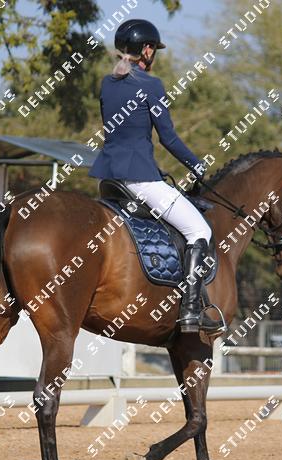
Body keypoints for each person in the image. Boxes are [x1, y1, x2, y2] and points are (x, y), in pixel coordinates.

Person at [89, 19, 222, 334]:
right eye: (154, 49)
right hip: (142, 179)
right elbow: (168, 139)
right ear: (147, 50)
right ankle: (191, 310)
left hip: (110, 179)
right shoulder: (151, 85)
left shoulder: (107, 84)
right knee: (199, 230)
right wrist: (197, 165)